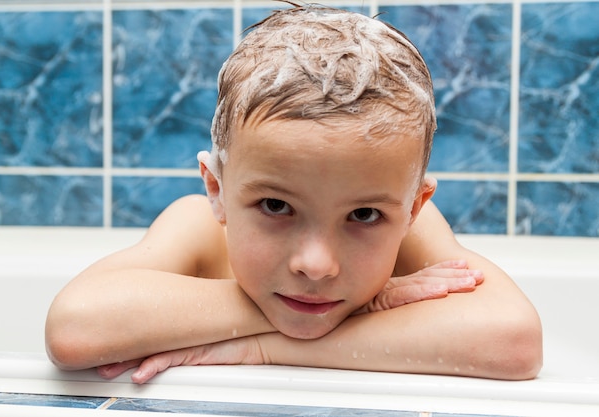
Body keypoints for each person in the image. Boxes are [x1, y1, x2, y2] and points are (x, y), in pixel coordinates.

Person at [45, 4, 542, 384]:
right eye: (276, 206)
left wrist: (265, 348)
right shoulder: (195, 226)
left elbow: (514, 342)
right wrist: (369, 304)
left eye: (364, 215)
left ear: (413, 209)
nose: (316, 265)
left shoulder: (415, 235)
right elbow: (75, 330)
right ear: (216, 188)